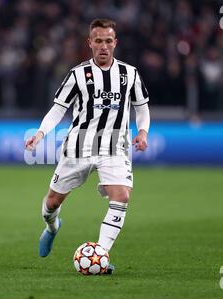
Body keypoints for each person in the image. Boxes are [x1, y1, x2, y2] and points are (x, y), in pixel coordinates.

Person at [25, 18, 150, 274]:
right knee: (52, 202)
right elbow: (58, 109)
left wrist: (143, 132)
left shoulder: (130, 74)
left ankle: (101, 256)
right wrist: (40, 133)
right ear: (90, 43)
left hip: (114, 148)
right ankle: (52, 227)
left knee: (122, 195)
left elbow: (142, 107)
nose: (103, 46)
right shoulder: (78, 74)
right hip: (78, 148)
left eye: (108, 41)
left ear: (115, 43)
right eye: (98, 41)